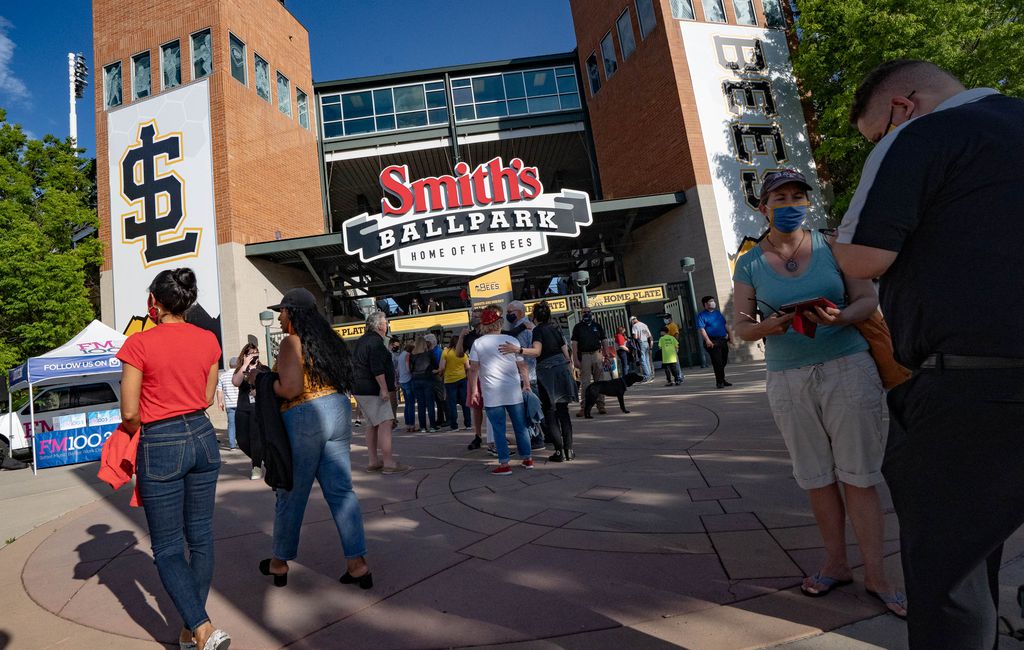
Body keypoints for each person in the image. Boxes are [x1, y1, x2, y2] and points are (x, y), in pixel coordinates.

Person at [834, 59, 1024, 647]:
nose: (880, 145)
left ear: (901, 107)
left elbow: (864, 257)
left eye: (875, 137)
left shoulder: (924, 133)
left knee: (951, 574)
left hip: (976, 386)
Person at [732, 169, 906, 618]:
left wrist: (842, 317)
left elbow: (867, 299)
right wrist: (766, 327)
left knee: (860, 474)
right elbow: (741, 325)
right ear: (762, 206)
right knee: (816, 476)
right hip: (788, 376)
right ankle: (835, 563)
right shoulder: (749, 262)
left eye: (797, 196)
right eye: (780, 197)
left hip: (848, 366)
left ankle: (877, 574)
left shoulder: (833, 247)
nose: (790, 204)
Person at [115, 268, 230, 650]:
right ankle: (191, 630)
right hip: (201, 434)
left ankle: (202, 628)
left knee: (166, 547)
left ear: (155, 304)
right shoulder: (208, 340)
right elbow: (205, 395)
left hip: (161, 440)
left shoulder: (138, 345)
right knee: (200, 538)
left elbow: (129, 413)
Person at [255, 288, 372, 590]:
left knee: (291, 492)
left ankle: (279, 562)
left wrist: (264, 381)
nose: (279, 317)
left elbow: (291, 388)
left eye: (282, 311)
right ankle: (357, 563)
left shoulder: (291, 342)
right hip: (337, 410)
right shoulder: (328, 341)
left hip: (305, 415)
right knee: (342, 491)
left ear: (293, 313)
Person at [500, 301, 577, 461]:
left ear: (534, 316)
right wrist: (570, 372)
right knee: (563, 412)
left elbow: (537, 351)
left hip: (547, 373)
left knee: (550, 412)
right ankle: (569, 450)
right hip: (562, 370)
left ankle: (559, 452)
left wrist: (518, 350)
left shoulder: (538, 331)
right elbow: (566, 353)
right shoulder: (555, 329)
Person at [467, 307, 533, 475]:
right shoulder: (511, 340)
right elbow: (522, 365)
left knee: (498, 428)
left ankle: (504, 464)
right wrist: (526, 384)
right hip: (513, 391)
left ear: (484, 324)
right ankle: (527, 458)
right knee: (520, 426)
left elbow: (473, 369)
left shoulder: (478, 343)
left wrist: (474, 390)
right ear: (500, 323)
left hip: (492, 393)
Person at [351, 311, 407, 474]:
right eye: (386, 322)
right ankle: (388, 462)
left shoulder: (362, 341)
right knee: (385, 422)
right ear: (380, 326)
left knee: (372, 424)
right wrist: (384, 388)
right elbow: (377, 367)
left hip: (361, 388)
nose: (387, 325)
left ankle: (373, 461)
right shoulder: (375, 343)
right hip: (372, 389)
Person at [232, 342, 265, 480]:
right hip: (243, 408)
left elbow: (268, 387)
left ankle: (256, 466)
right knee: (242, 440)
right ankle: (264, 457)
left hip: (258, 409)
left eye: (255, 352)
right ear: (245, 355)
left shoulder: (263, 369)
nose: (254, 355)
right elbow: (236, 382)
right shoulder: (241, 369)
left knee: (256, 439)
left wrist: (260, 391)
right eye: (251, 353)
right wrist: (245, 365)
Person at [457, 307, 486, 449]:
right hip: (475, 375)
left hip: (489, 373)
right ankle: (478, 436)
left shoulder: (489, 333)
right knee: (476, 407)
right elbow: (459, 354)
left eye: (477, 316)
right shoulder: (469, 335)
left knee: (493, 405)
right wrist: (461, 336)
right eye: (473, 316)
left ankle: (496, 436)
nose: (474, 318)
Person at [571, 307, 607, 416]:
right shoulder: (578, 327)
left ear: (591, 313)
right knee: (585, 383)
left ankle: (601, 405)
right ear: (581, 314)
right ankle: (584, 407)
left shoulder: (597, 326)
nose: (586, 314)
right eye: (584, 312)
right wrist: (575, 359)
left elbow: (604, 340)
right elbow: (574, 344)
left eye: (588, 312)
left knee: (599, 382)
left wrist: (606, 356)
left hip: (597, 354)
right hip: (584, 356)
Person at [697, 296, 732, 388]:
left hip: (723, 339)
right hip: (712, 341)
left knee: (723, 360)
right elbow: (702, 329)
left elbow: (725, 325)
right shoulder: (702, 315)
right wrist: (707, 340)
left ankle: (722, 379)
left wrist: (730, 336)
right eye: (710, 301)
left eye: (713, 301)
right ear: (705, 304)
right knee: (717, 362)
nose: (713, 302)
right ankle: (719, 382)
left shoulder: (718, 313)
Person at [439, 336, 471, 431]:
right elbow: (467, 367)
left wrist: (441, 373)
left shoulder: (446, 352)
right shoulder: (463, 354)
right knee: (465, 402)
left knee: (452, 403)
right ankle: (468, 424)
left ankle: (454, 425)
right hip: (462, 379)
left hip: (450, 380)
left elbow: (442, 367)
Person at [409, 335, 438, 432]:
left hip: (416, 380)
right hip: (427, 379)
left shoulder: (412, 355)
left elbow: (410, 368)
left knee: (421, 405)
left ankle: (422, 427)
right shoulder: (429, 353)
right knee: (430, 403)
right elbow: (435, 365)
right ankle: (432, 426)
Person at [424, 333, 448, 428]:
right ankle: (441, 419)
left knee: (442, 399)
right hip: (437, 377)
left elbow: (440, 365)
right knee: (439, 400)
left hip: (438, 377)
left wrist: (437, 371)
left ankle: (447, 418)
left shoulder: (437, 352)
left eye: (426, 342)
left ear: (430, 342)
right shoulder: (436, 350)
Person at [216, 357, 239, 450]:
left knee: (231, 424)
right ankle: (241, 442)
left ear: (229, 365)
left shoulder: (223, 376)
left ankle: (232, 445)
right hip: (240, 403)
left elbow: (219, 390)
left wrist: (220, 402)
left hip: (229, 404)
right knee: (242, 423)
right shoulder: (239, 375)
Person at [395, 341, 416, 432]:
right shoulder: (408, 355)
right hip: (408, 380)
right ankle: (412, 425)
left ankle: (407, 425)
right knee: (411, 404)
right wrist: (412, 372)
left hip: (402, 381)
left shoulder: (401, 355)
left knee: (407, 404)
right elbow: (408, 368)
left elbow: (398, 369)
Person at [630, 316, 654, 382]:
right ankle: (650, 375)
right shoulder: (644, 324)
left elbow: (635, 336)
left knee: (643, 360)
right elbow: (649, 335)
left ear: (632, 321)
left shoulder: (635, 326)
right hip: (646, 342)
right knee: (647, 360)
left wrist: (634, 339)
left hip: (640, 343)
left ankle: (647, 376)